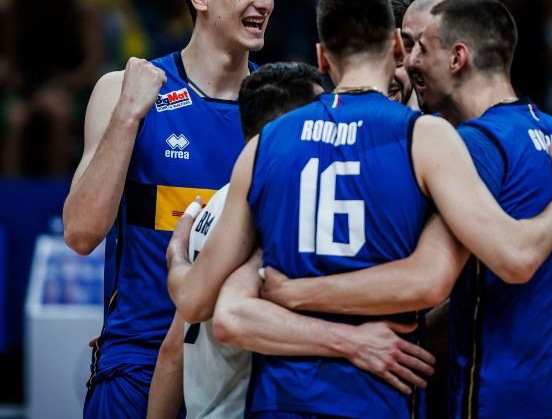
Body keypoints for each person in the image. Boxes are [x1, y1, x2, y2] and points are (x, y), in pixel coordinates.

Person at [260, 0, 552, 418]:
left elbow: (435, 277)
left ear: (458, 56)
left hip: (493, 394)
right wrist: (536, 298)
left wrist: (302, 298)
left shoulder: (469, 146)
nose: (410, 61)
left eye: (420, 48)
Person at [165, 0, 552, 418]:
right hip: (373, 397)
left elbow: (197, 302)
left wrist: (178, 256)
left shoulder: (265, 143)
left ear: (322, 57)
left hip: (282, 402)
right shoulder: (425, 138)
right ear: (396, 47)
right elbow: (514, 259)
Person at [62, 0, 277, 418]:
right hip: (136, 362)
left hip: (237, 367)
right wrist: (128, 115)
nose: (265, 1)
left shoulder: (280, 110)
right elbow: (81, 233)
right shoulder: (124, 90)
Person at [147, 62, 437, 418]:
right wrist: (354, 341)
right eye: (319, 115)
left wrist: (177, 256)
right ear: (291, 129)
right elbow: (233, 317)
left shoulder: (219, 202)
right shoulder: (276, 204)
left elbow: (172, 349)